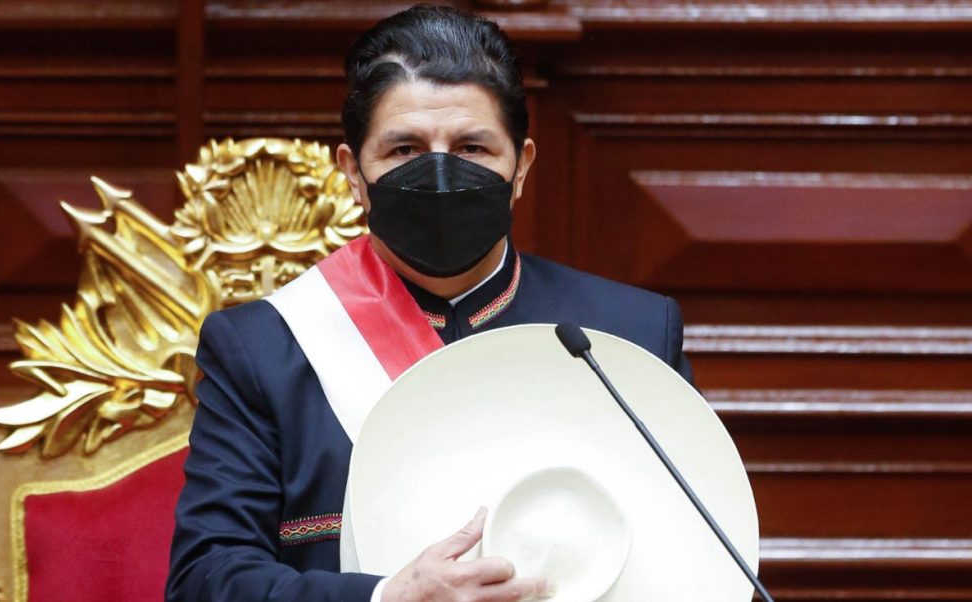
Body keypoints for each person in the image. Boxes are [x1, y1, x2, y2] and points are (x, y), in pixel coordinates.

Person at [166, 5, 693, 601]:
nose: (440, 175)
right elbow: (206, 579)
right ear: (353, 173)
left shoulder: (630, 333)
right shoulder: (264, 350)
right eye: (404, 150)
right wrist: (388, 598)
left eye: (471, 148)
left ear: (521, 167)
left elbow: (696, 554)